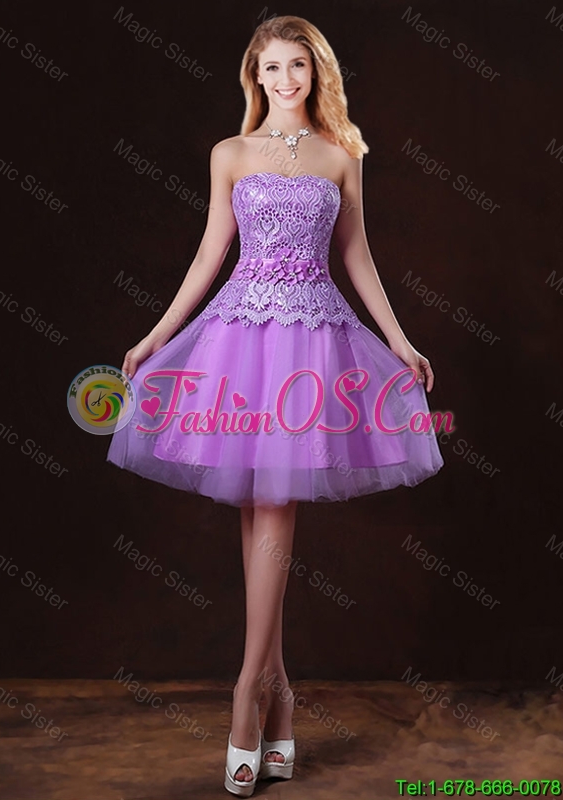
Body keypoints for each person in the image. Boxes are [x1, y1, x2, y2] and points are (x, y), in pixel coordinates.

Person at [107, 15, 444, 797]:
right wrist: (156, 337)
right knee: (258, 508)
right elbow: (210, 252)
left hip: (312, 346)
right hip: (239, 340)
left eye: (298, 65)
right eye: (272, 67)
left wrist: (400, 343)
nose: (285, 79)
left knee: (275, 504)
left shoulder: (342, 155)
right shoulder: (230, 154)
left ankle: (245, 696)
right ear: (253, 76)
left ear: (316, 72)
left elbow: (357, 254)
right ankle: (281, 698)